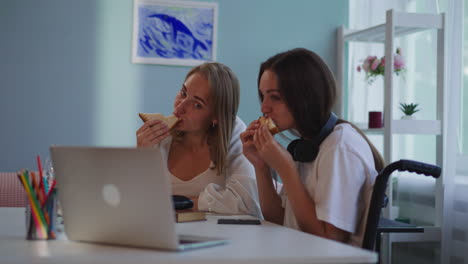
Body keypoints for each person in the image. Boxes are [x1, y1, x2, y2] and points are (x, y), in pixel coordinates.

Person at [240, 48, 384, 246]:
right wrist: (261, 166)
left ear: (304, 96)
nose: (264, 107)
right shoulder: (307, 146)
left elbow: (328, 241)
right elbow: (279, 221)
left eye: (274, 97)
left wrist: (286, 168)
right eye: (263, 96)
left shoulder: (339, 147)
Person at [136, 62, 261, 217]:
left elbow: (246, 203)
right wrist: (141, 157)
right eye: (183, 93)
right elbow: (139, 201)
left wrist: (181, 204)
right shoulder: (160, 137)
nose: (180, 107)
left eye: (197, 104)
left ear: (216, 116)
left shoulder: (234, 132)